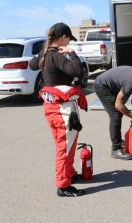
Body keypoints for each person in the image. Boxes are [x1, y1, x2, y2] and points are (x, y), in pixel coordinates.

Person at [29, 22, 88, 197]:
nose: (69, 42)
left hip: (51, 107)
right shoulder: (58, 56)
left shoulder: (47, 53)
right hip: (62, 108)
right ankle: (63, 186)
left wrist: (44, 50)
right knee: (65, 146)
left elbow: (33, 64)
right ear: (62, 38)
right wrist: (72, 53)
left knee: (66, 144)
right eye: (68, 39)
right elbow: (77, 71)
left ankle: (69, 174)